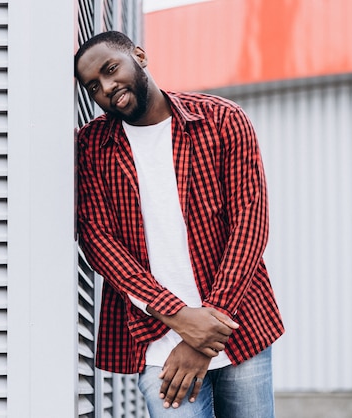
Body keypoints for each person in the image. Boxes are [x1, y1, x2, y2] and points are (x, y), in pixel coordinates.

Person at [74, 31, 284, 417]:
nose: (107, 88)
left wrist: (203, 333)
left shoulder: (221, 120)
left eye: (110, 69)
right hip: (157, 341)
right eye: (93, 86)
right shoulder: (91, 147)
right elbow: (98, 240)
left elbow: (250, 224)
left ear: (139, 56)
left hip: (239, 328)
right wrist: (178, 316)